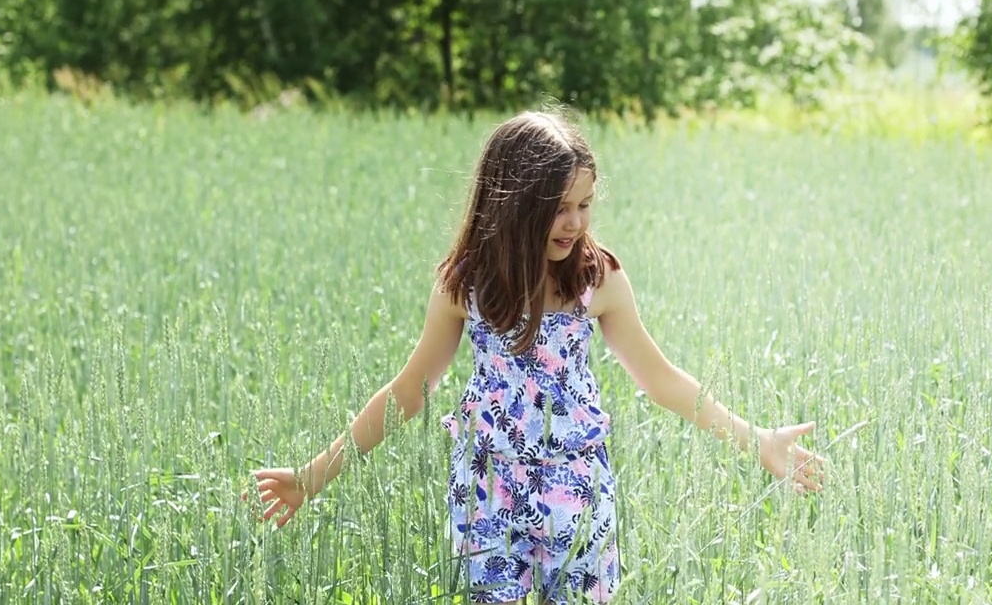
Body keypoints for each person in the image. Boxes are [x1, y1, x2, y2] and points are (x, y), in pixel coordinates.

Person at [249, 110, 826, 604]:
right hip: (488, 486)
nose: (575, 222)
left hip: (577, 484)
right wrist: (312, 476)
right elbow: (408, 391)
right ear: (512, 204)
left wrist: (757, 439)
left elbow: (659, 379)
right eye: (558, 207)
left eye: (584, 204)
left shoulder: (598, 280)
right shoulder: (466, 286)